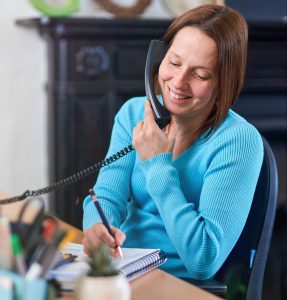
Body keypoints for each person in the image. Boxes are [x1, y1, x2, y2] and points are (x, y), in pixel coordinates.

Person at [82, 4, 264, 280]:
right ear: (159, 57)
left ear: (224, 81)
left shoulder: (238, 141)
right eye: (174, 63)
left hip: (183, 285)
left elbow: (203, 260)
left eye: (201, 75)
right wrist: (97, 226)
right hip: (124, 273)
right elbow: (106, 196)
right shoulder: (134, 114)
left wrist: (157, 164)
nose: (178, 82)